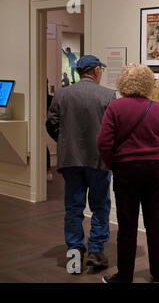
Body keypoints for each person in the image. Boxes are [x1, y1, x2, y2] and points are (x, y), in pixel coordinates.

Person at [97, 64, 159, 283]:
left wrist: (113, 163)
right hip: (154, 170)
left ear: (123, 82)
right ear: (147, 83)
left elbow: (103, 142)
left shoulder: (115, 107)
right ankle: (158, 274)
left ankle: (124, 276)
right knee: (156, 223)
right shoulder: (158, 108)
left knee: (127, 225)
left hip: (126, 170)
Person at [46, 55, 116, 274]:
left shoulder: (62, 94)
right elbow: (112, 130)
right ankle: (95, 251)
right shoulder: (107, 95)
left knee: (73, 208)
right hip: (98, 160)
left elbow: (51, 123)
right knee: (100, 206)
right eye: (100, 70)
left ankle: (74, 254)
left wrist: (65, 143)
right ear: (95, 71)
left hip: (70, 160)